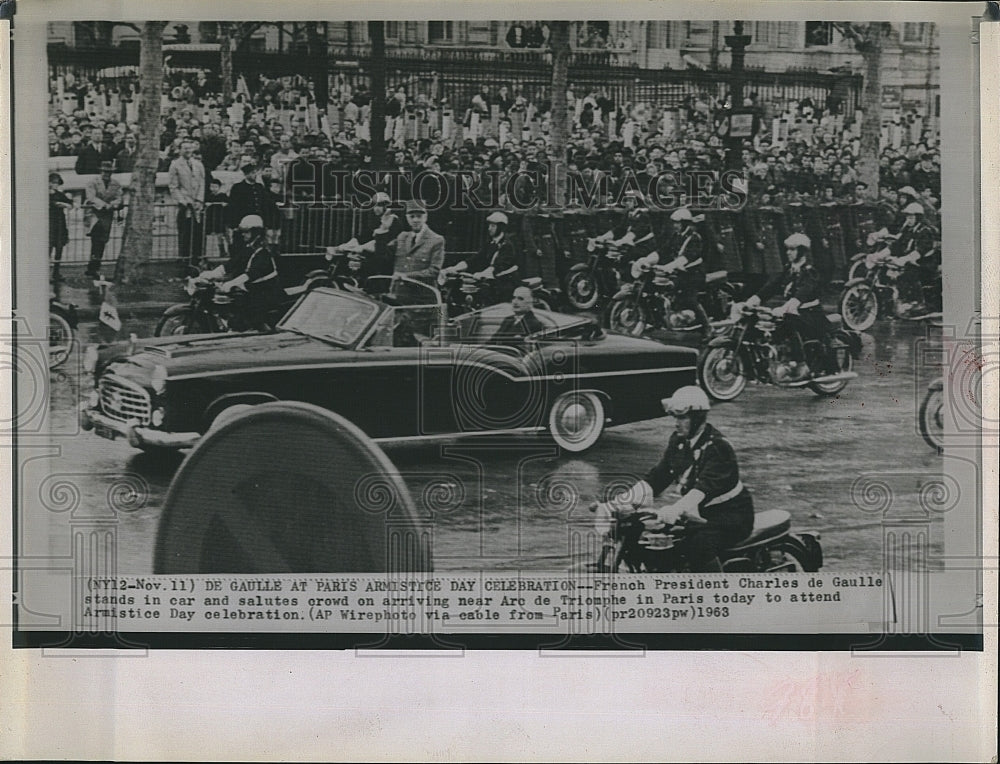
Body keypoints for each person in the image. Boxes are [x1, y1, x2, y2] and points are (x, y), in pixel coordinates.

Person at [597, 386, 754, 573]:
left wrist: (676, 509)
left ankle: (717, 596)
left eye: (682, 417)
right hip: (697, 513)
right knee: (650, 541)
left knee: (698, 546)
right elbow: (658, 476)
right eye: (675, 418)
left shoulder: (718, 447)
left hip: (729, 516)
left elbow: (703, 488)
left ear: (697, 418)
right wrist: (619, 503)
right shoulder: (679, 441)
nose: (677, 423)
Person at [742, 232, 838, 377]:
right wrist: (753, 300)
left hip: (810, 314)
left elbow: (803, 293)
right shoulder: (789, 269)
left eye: (793, 249)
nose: (789, 253)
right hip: (796, 311)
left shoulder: (810, 271)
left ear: (802, 251)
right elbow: (772, 286)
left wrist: (785, 307)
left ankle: (799, 363)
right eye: (788, 249)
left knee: (788, 322)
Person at [632, 207, 712, 339]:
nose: (675, 225)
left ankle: (707, 327)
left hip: (693, 273)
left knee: (689, 298)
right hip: (679, 271)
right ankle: (656, 320)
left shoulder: (694, 238)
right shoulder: (677, 236)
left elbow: (687, 257)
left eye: (677, 223)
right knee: (654, 288)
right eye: (674, 223)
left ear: (685, 223)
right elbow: (664, 250)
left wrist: (669, 266)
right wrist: (648, 260)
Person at [201, 215, 285, 331]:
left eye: (246, 232)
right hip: (253, 291)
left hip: (266, 294)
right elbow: (232, 264)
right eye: (243, 232)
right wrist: (211, 274)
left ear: (256, 232)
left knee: (244, 320)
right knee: (232, 302)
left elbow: (252, 274)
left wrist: (231, 284)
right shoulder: (250, 248)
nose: (243, 234)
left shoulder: (264, 252)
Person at [440, 211, 520, 303]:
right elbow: (475, 259)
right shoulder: (490, 243)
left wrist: (482, 274)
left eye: (493, 226)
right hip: (493, 281)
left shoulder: (507, 245)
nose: (489, 228)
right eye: (489, 225)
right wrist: (455, 268)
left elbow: (498, 266)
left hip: (505, 283)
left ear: (501, 228)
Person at [168, 139, 206, 272]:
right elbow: (173, 186)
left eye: (190, 148)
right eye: (185, 148)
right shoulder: (175, 165)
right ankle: (184, 260)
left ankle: (197, 259)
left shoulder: (198, 164)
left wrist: (199, 200)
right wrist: (183, 201)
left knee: (198, 233)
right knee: (185, 233)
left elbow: (202, 182)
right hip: (185, 204)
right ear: (180, 150)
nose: (188, 151)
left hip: (197, 204)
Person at [387, 200, 446, 284]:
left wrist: (406, 276)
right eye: (412, 216)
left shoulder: (436, 240)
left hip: (421, 294)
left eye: (419, 216)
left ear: (425, 217)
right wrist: (383, 230)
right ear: (407, 218)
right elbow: (384, 257)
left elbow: (434, 271)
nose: (415, 220)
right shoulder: (402, 237)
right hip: (398, 293)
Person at [83, 161, 124, 278]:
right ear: (100, 171)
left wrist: (113, 204)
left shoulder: (116, 184)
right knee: (95, 240)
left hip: (107, 216)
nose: (107, 174)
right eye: (105, 172)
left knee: (102, 241)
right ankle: (93, 267)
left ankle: (95, 266)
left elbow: (119, 197)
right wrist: (104, 205)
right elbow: (91, 197)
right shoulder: (92, 183)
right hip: (95, 215)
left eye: (109, 172)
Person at [48, 172, 73, 282]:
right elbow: (54, 204)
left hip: (60, 223)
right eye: (53, 182)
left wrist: (68, 202)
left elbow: (70, 203)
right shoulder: (45, 194)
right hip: (49, 223)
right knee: (48, 248)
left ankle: (56, 273)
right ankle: (46, 273)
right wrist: (63, 204)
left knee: (59, 247)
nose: (55, 185)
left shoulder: (59, 194)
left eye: (57, 183)